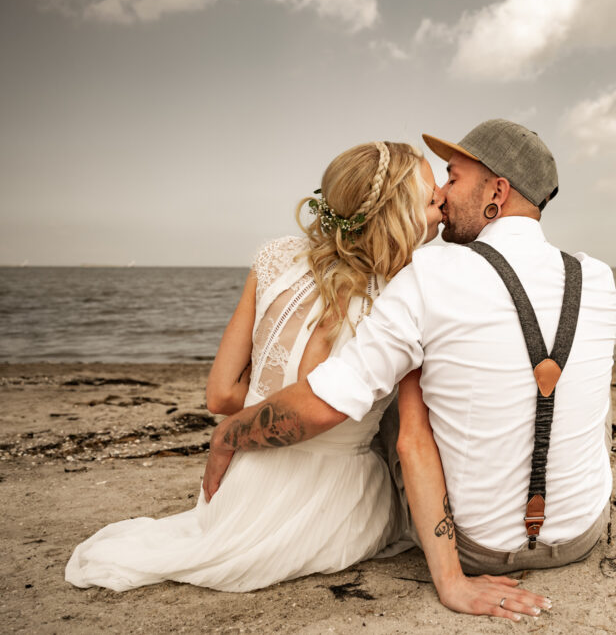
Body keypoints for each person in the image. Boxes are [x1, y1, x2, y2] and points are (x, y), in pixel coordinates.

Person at [201, 119, 616, 620]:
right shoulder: (596, 276)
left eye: (453, 178)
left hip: (478, 549)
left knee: (394, 404)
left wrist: (228, 434)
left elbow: (326, 408)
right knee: (583, 377)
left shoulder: (429, 273)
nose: (443, 195)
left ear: (498, 190)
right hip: (584, 533)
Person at [65, 141, 443, 592]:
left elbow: (221, 395)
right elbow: (323, 409)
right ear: (399, 213)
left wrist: (249, 417)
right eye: (431, 196)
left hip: (240, 488)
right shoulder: (407, 292)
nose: (441, 200)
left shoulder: (276, 258)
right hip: (337, 500)